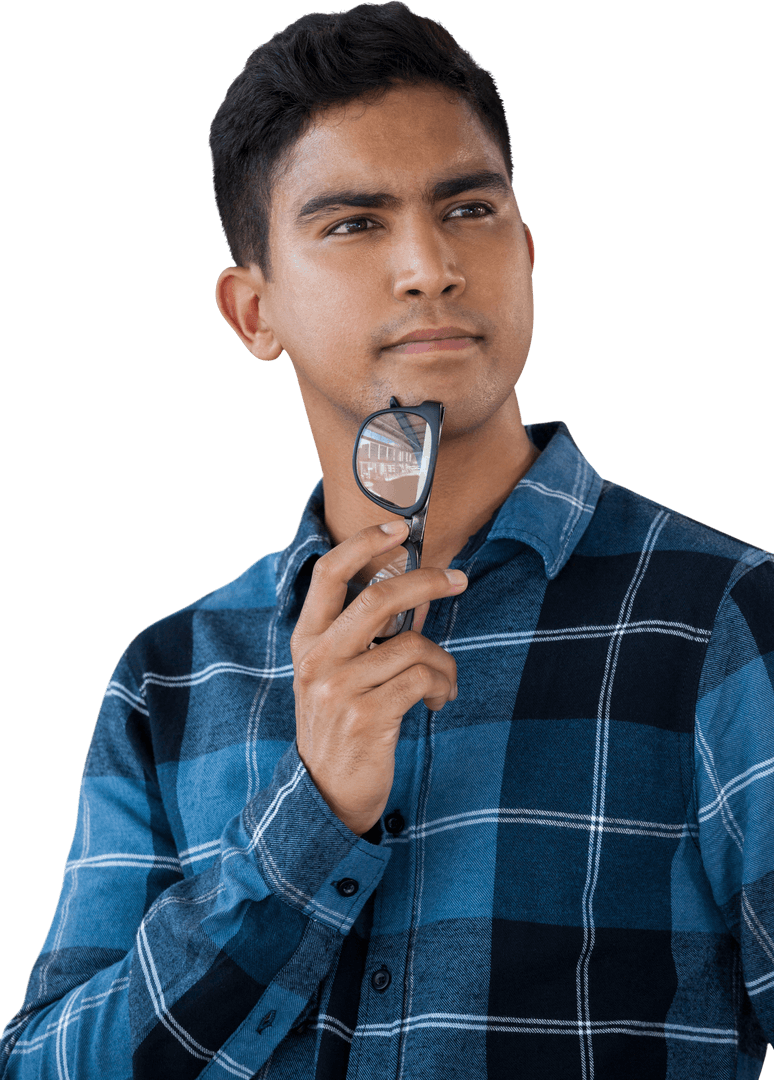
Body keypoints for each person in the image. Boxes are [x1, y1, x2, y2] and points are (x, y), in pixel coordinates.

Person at [2, 2, 772, 1077]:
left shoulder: (722, 622)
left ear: (530, 250)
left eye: (468, 209)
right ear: (251, 313)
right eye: (353, 222)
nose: (428, 266)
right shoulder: (172, 680)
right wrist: (308, 821)